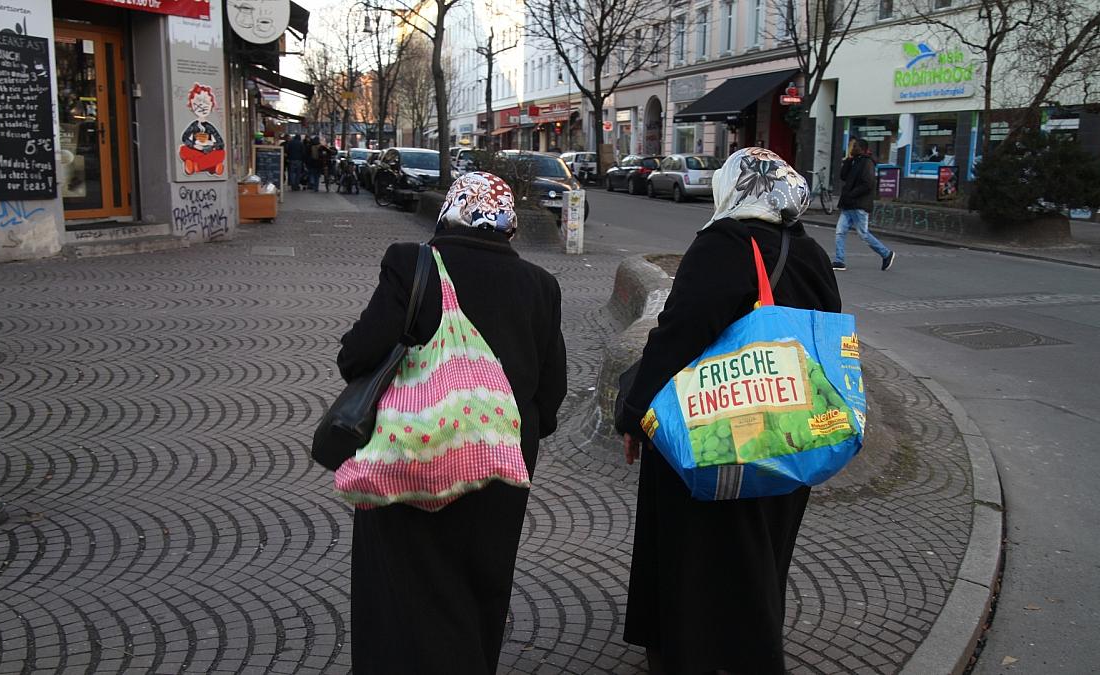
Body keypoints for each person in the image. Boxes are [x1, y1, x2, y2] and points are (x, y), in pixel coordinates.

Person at [614, 147, 840, 675]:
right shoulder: (810, 253)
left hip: (715, 431)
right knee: (762, 551)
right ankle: (747, 648)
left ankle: (692, 653)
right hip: (789, 429)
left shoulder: (723, 245)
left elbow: (675, 338)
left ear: (732, 188)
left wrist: (634, 415)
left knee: (696, 552)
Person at [336, 171, 567, 674]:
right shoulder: (540, 286)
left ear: (449, 212)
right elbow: (551, 396)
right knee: (481, 588)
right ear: (508, 225)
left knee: (403, 589)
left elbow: (357, 357)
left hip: (413, 454)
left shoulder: (412, 264)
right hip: (498, 464)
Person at [833, 138, 894, 271]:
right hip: (848, 205)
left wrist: (851, 194)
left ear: (861, 148)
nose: (852, 149)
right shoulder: (854, 161)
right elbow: (843, 176)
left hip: (860, 204)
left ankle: (886, 254)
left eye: (854, 147)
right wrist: (848, 160)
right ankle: (839, 261)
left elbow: (868, 184)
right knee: (840, 232)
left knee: (863, 234)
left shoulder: (867, 163)